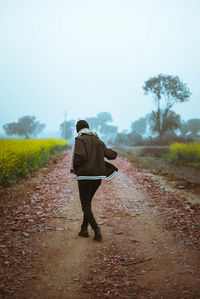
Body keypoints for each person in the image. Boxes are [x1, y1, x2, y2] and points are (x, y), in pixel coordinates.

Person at [70, 120, 118, 242]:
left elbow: (80, 156)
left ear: (78, 128)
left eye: (76, 127)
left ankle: (96, 230)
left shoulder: (80, 139)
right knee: (88, 204)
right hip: (97, 178)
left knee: (85, 205)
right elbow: (110, 155)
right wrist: (115, 152)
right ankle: (84, 229)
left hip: (85, 177)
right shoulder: (98, 140)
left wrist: (77, 167)